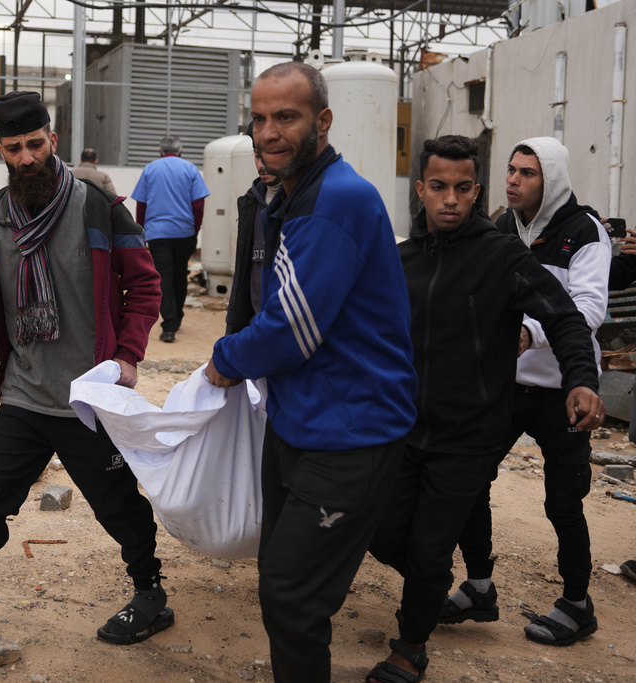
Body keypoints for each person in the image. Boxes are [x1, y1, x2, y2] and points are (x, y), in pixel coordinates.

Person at [0, 91, 171, 667]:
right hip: (24, 396)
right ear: (0, 150)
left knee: (117, 503)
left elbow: (145, 285)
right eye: (14, 148)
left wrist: (128, 357)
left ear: (53, 140)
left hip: (86, 398)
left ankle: (151, 592)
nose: (27, 158)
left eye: (35, 144)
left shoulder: (99, 207)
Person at [204, 61, 418, 683]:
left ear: (322, 121)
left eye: (287, 117)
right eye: (260, 118)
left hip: (349, 434)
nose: (269, 132)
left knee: (292, 598)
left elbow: (290, 328)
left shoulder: (334, 200)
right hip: (302, 422)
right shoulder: (288, 195)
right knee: (283, 581)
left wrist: (224, 361)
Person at [367, 135, 603, 683]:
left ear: (476, 191)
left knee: (430, 546)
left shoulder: (502, 256)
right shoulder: (400, 259)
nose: (450, 199)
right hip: (403, 429)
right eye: (438, 187)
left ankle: (411, 645)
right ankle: (434, 584)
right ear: (421, 189)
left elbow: (567, 317)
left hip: (469, 434)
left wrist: (582, 381)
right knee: (380, 532)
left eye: (463, 188)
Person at [442, 136, 611, 647]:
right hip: (507, 384)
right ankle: (478, 584)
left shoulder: (584, 233)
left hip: (564, 388)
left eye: (528, 173)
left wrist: (531, 332)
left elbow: (586, 310)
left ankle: (577, 604)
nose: (513, 180)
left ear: (552, 179)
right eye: (511, 170)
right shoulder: (500, 228)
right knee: (470, 478)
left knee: (564, 500)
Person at [132, 135, 210, 343]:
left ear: (160, 151)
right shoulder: (191, 169)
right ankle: (176, 318)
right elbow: (199, 204)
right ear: (180, 151)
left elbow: (142, 204)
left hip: (157, 233)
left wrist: (142, 231)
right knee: (179, 275)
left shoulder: (150, 169)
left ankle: (169, 326)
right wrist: (195, 229)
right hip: (185, 232)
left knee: (163, 277)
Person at [226, 126, 283, 335]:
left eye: (269, 156)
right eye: (257, 156)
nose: (262, 165)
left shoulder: (299, 205)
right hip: (254, 330)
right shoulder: (250, 204)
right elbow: (242, 279)